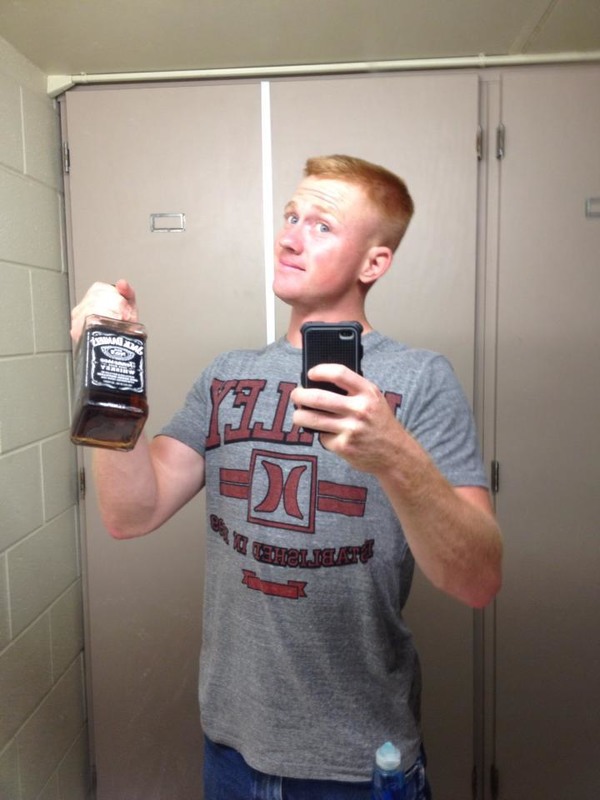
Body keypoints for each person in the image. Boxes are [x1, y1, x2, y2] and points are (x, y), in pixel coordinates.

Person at [71, 154, 502, 800]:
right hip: (232, 754)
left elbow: (478, 579)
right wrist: (111, 365)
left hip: (359, 767)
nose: (291, 237)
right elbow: (130, 513)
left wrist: (393, 454)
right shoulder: (226, 374)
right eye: (290, 217)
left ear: (374, 263)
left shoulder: (420, 379)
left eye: (321, 225)